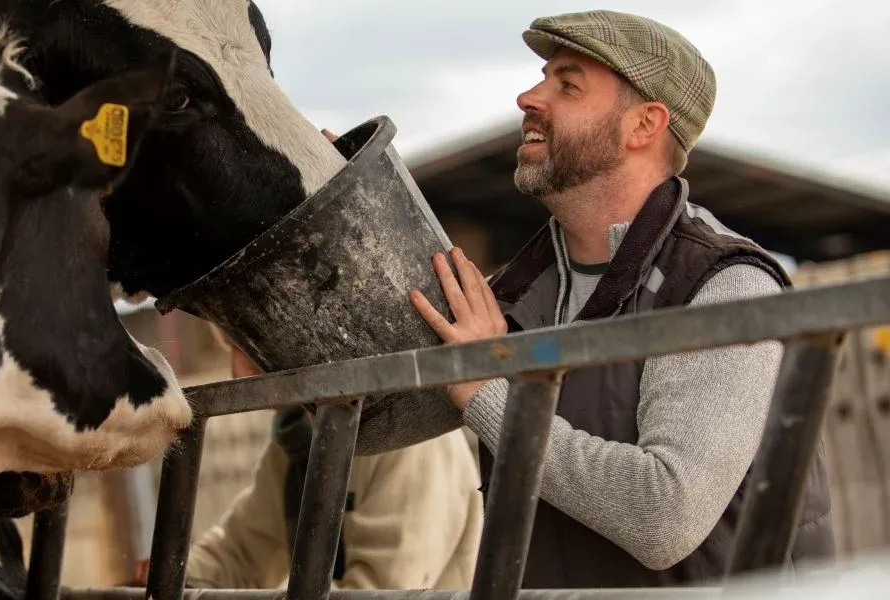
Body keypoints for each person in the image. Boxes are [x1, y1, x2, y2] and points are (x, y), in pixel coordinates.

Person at [404, 9, 834, 588]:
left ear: (643, 126)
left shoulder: (722, 285)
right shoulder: (518, 294)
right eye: (541, 77)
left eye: (567, 84)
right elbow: (378, 420)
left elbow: (664, 516)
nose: (528, 97)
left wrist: (488, 393)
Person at [136, 331, 484, 591]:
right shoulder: (296, 441)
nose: (237, 372)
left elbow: (385, 591)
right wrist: (174, 575)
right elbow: (242, 551)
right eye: (231, 350)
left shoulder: (409, 442)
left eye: (245, 346)